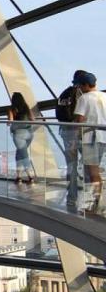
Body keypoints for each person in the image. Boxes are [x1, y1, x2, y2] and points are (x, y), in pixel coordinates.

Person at [73, 72, 106, 213]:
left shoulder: (84, 98)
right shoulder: (104, 96)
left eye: (79, 84)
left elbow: (79, 120)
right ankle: (97, 201)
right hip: (103, 137)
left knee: (92, 172)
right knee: (95, 171)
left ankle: (94, 204)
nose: (78, 87)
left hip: (90, 138)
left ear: (85, 85)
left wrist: (74, 140)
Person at [57, 70, 89, 207]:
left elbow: (60, 114)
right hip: (80, 132)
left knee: (71, 165)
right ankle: (89, 197)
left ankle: (71, 197)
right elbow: (82, 116)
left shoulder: (64, 93)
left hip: (66, 131)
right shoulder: (82, 94)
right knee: (89, 163)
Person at [8, 92, 37, 184]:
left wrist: (8, 122)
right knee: (19, 154)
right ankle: (19, 176)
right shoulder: (26, 107)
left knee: (24, 156)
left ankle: (30, 177)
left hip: (19, 135)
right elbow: (33, 119)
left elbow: (10, 121)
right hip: (29, 134)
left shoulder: (11, 109)